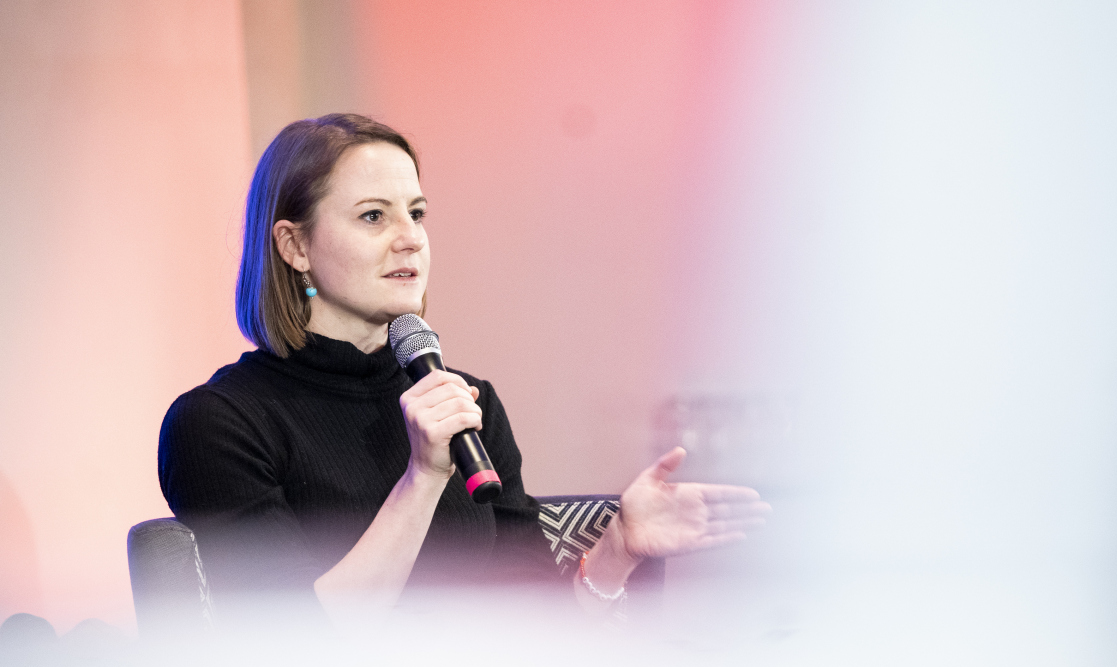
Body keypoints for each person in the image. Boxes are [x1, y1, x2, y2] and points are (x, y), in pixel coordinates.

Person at [158, 114, 769, 629]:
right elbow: (293, 642)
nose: (410, 240)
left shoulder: (467, 402)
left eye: (417, 213)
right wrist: (422, 477)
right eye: (373, 217)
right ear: (294, 246)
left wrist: (618, 549)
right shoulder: (218, 424)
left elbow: (542, 632)